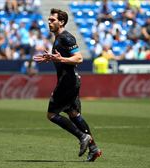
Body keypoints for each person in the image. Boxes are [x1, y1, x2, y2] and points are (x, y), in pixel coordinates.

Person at [33, 8, 101, 162]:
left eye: (53, 20)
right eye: (49, 20)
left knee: (51, 115)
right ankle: (94, 148)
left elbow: (79, 58)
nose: (49, 22)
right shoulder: (58, 38)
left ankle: (83, 136)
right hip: (69, 80)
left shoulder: (66, 38)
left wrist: (60, 59)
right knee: (74, 114)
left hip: (68, 81)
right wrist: (52, 58)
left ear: (61, 22)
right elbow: (63, 58)